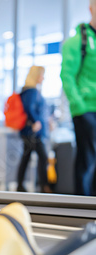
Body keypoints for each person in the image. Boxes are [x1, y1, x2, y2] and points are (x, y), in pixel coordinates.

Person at [60, 0, 96, 196]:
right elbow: (67, 76)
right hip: (86, 110)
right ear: (91, 9)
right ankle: (83, 211)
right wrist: (79, 106)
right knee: (87, 160)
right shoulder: (77, 41)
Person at [17, 66, 52, 193]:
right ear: (36, 76)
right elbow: (29, 108)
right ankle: (44, 186)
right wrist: (36, 121)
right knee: (42, 157)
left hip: (28, 131)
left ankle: (20, 185)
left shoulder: (27, 91)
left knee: (26, 158)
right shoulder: (31, 91)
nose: (43, 78)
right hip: (32, 132)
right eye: (42, 75)